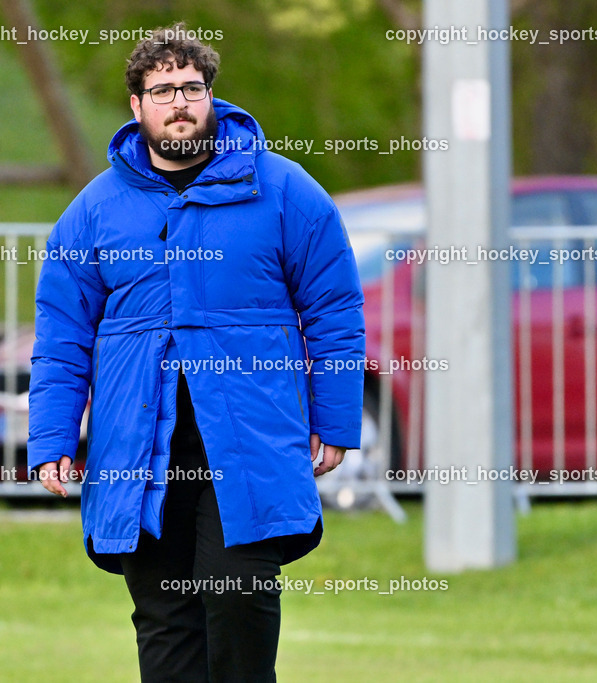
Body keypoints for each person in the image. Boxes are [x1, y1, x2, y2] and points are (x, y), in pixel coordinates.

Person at [27, 22, 365, 683]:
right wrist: (52, 434)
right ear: (137, 105)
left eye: (192, 86)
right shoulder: (94, 209)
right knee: (163, 613)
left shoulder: (284, 190)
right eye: (163, 90)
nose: (179, 102)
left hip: (247, 435)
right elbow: (61, 331)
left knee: (239, 592)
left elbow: (334, 311)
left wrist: (336, 419)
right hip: (136, 442)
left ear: (211, 94)